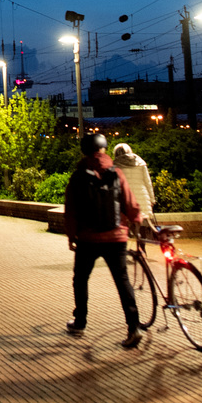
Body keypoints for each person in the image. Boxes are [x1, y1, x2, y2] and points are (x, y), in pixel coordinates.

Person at [63, 132, 145, 349]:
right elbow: (129, 200)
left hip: (88, 239)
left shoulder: (78, 176)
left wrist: (72, 236)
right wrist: (136, 220)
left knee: (80, 279)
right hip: (116, 236)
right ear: (104, 150)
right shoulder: (116, 172)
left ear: (84, 152)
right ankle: (134, 326)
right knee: (122, 281)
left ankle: (80, 321)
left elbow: (71, 210)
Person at [111, 142, 156, 229]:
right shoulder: (140, 163)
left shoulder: (114, 166)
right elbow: (148, 182)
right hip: (142, 197)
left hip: (126, 199)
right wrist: (152, 199)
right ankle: (142, 239)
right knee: (143, 223)